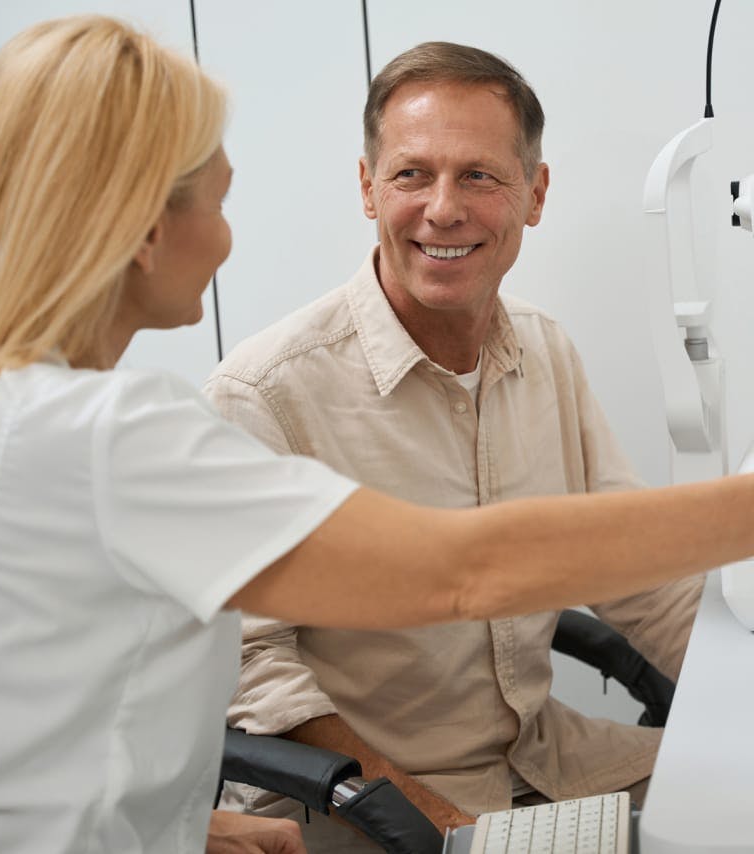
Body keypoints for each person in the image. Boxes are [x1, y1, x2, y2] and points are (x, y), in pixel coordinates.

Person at [0, 18, 753, 854]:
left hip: (523, 762)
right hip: (373, 808)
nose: (229, 239)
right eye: (221, 203)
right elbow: (465, 570)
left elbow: (39, 728)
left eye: (479, 174)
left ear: (533, 191)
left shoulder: (7, 415)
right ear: (145, 229)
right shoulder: (127, 435)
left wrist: (189, 827)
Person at [204, 42, 703, 851]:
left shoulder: (546, 353)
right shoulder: (263, 393)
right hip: (356, 801)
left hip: (548, 757)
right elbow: (255, 676)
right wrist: (436, 827)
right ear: (367, 188)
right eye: (411, 174)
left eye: (479, 175)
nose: (443, 209)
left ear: (534, 194)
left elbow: (636, 573)